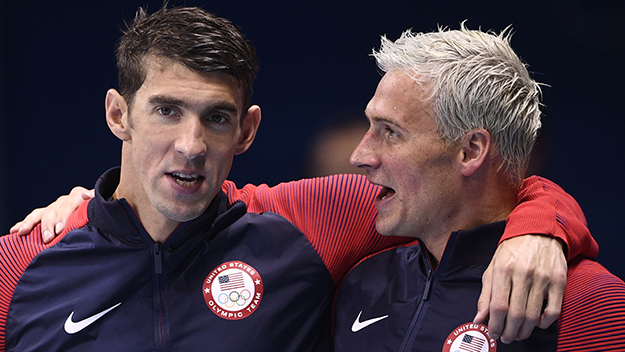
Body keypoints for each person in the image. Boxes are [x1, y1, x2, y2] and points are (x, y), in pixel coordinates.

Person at [2, 6, 597, 351]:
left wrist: (538, 227)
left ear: (247, 131)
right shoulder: (22, 265)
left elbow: (470, 196)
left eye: (216, 118)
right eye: (166, 110)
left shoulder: (310, 223)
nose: (190, 145)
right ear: (117, 114)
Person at [332, 25, 625, 351]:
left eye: (391, 132)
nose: (360, 156)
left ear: (471, 151)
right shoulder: (358, 281)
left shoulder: (593, 302)